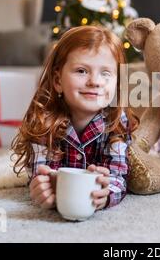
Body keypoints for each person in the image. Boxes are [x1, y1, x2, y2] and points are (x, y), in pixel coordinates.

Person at [12, 26, 138, 211]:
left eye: (105, 73)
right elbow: (40, 172)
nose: (95, 81)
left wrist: (106, 192)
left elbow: (118, 174)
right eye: (81, 71)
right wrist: (44, 187)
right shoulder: (43, 120)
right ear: (57, 81)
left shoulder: (117, 121)